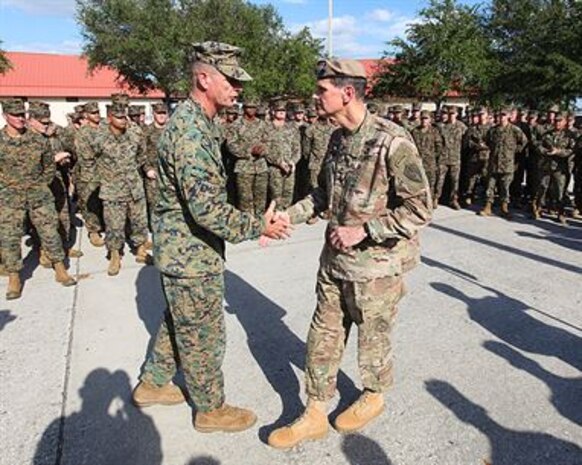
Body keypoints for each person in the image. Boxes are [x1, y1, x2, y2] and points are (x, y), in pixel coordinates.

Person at [266, 59, 432, 449]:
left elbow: (420, 208)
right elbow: (323, 195)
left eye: (322, 89)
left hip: (375, 268)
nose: (315, 95)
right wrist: (286, 217)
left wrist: (365, 230)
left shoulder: (393, 141)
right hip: (334, 263)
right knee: (322, 335)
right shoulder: (337, 138)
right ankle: (315, 412)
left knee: (373, 338)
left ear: (348, 92)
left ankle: (374, 394)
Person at [132, 42, 291, 434]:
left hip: (186, 250)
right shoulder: (189, 131)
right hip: (189, 254)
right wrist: (259, 226)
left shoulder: (202, 123)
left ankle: (152, 384)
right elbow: (206, 209)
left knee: (180, 321)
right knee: (204, 334)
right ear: (204, 78)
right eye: (231, 79)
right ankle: (210, 409)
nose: (238, 88)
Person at [0, 98, 77, 300]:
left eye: (22, 114)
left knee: (50, 231)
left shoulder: (38, 140)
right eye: (14, 115)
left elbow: (48, 166)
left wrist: (40, 184)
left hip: (38, 194)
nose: (19, 119)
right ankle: (14, 277)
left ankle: (60, 268)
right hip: (10, 197)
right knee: (10, 237)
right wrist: (6, 188)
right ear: (5, 116)